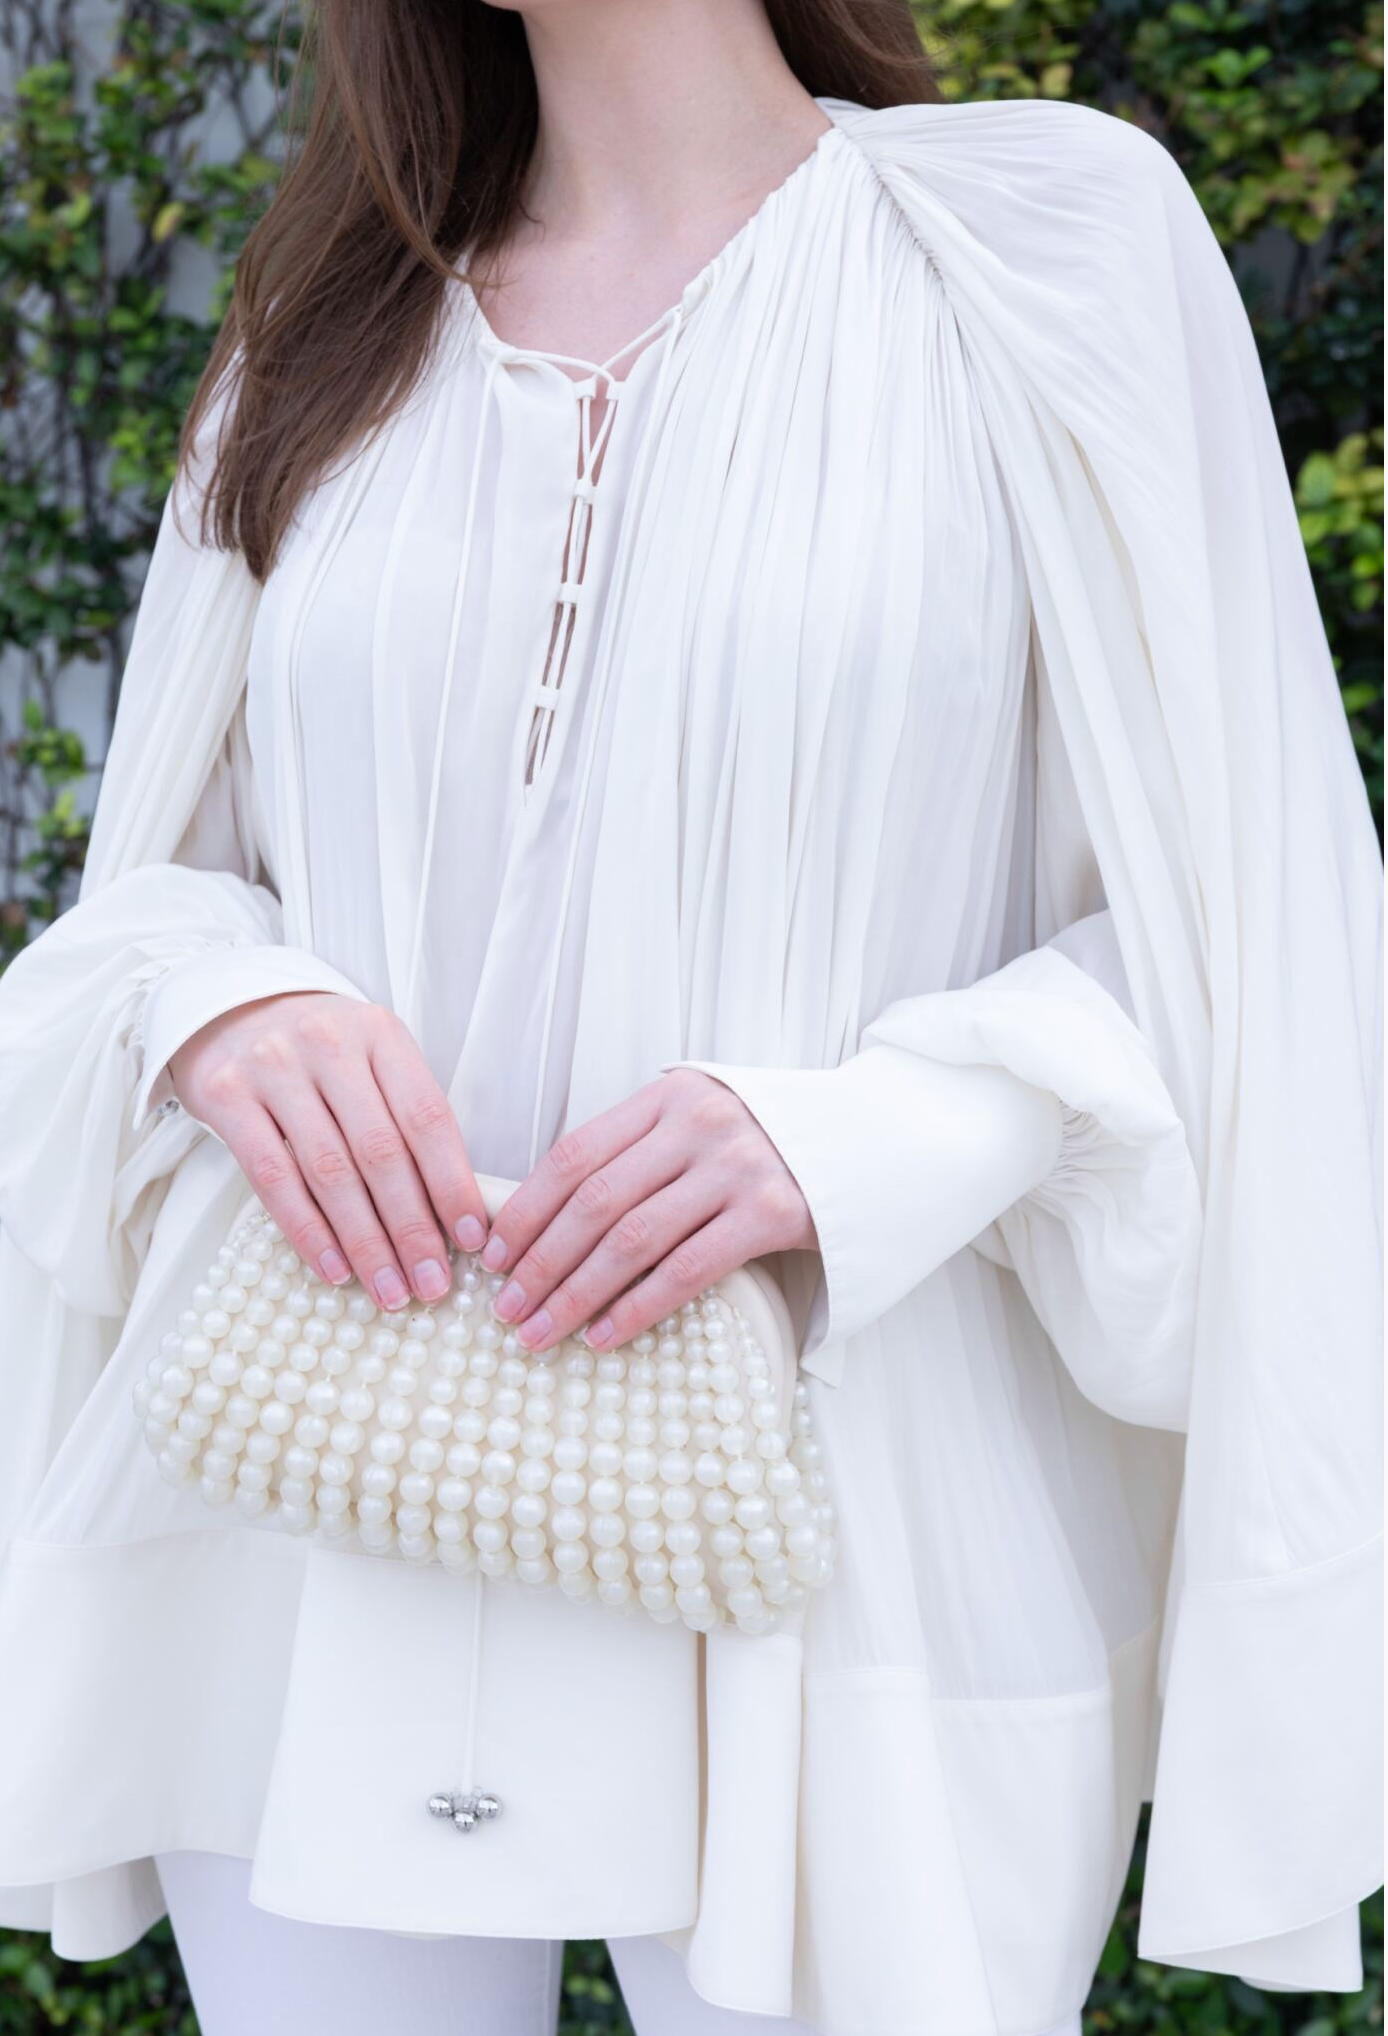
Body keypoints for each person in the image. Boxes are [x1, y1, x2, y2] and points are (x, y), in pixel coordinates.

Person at [0, 0, 1380, 2031]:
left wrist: (876, 1129)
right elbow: (160, 888)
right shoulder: (327, 315)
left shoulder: (1044, 243)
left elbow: (1250, 916)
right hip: (304, 1495)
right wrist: (226, 1001)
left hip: (841, 1500)